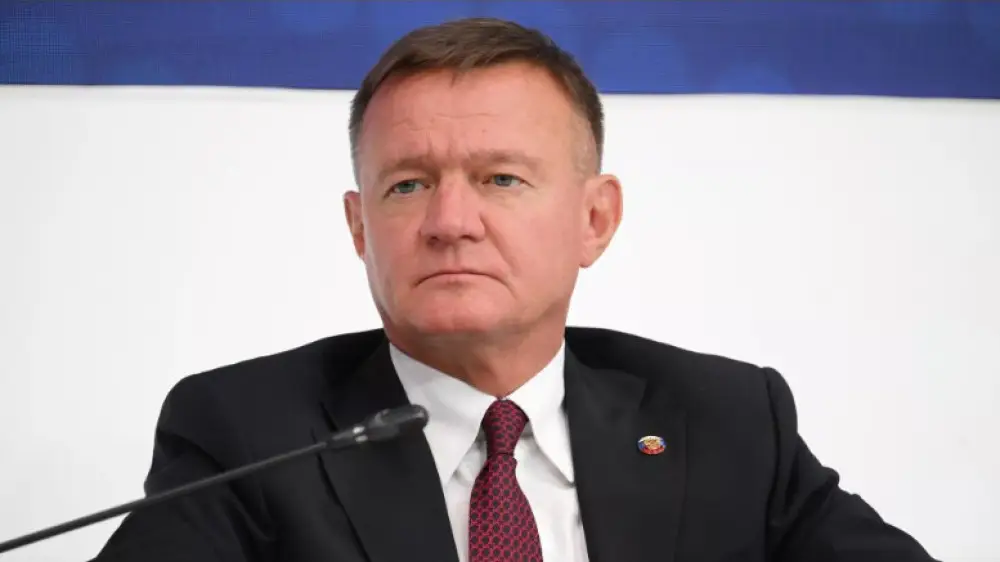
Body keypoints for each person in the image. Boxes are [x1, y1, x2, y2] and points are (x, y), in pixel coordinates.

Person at [97, 17, 938, 562]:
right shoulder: (249, 437)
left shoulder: (724, 421)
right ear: (360, 228)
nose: (450, 222)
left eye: (501, 179)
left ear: (595, 220)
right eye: (407, 185)